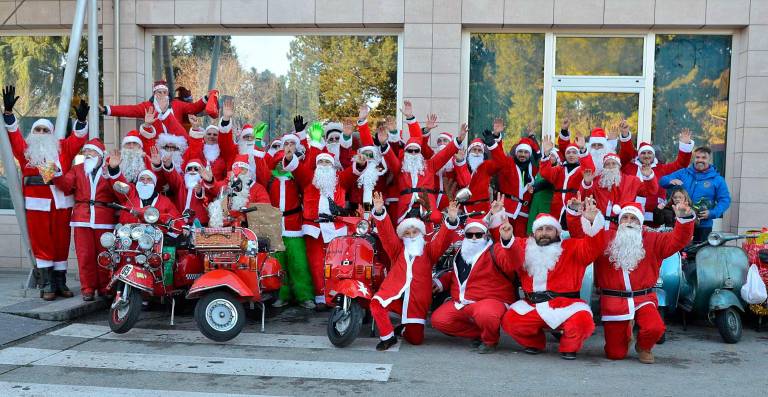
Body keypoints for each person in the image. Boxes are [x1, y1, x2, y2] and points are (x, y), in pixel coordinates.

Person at [3, 86, 89, 300]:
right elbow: (13, 134)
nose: (41, 134)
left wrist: (80, 121)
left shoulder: (62, 148)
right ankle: (47, 283)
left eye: (45, 131)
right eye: (37, 130)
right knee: (42, 242)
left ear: (52, 134)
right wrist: (8, 113)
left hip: (61, 202)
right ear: (32, 134)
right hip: (36, 204)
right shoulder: (26, 151)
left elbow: (78, 138)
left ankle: (60, 282)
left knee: (61, 241)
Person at [500, 198, 607, 360]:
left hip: (566, 306)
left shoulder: (571, 247)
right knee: (510, 321)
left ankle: (568, 347)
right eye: (540, 229)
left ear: (557, 232)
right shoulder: (524, 247)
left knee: (583, 322)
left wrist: (592, 222)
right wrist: (508, 239)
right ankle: (535, 343)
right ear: (534, 233)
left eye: (549, 229)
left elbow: (593, 247)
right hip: (532, 305)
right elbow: (511, 260)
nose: (544, 233)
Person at [588, 202, 694, 363]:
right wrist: (583, 219)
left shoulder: (653, 239)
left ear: (640, 222)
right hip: (614, 301)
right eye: (625, 218)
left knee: (655, 327)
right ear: (619, 221)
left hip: (643, 298)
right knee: (615, 354)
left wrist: (684, 219)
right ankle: (625, 335)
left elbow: (678, 240)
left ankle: (643, 347)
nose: (629, 221)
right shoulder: (605, 237)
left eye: (633, 218)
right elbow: (581, 236)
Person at [370, 192, 459, 351]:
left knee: (416, 339)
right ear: (402, 236)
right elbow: (386, 234)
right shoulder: (397, 249)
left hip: (416, 301)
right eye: (407, 233)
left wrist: (451, 220)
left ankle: (404, 329)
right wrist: (379, 212)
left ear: (421, 233)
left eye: (414, 232)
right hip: (394, 293)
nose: (411, 236)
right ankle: (388, 337)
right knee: (377, 303)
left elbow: (443, 239)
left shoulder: (429, 251)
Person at [430, 195, 520, 354]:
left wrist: (507, 241)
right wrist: (440, 283)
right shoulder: (461, 251)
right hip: (462, 302)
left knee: (486, 314)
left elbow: (511, 263)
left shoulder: (495, 250)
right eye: (469, 235)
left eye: (478, 235)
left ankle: (490, 340)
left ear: (485, 236)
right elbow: (457, 274)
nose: (473, 238)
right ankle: (479, 333)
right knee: (439, 320)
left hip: (491, 299)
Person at [288, 143, 356, 307]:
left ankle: (336, 296)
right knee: (316, 263)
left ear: (333, 166)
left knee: (337, 264)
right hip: (314, 230)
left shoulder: (340, 180)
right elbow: (297, 169)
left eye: (327, 163)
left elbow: (354, 172)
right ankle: (320, 296)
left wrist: (359, 163)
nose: (324, 166)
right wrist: (290, 157)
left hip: (336, 229)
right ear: (316, 165)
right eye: (321, 162)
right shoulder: (309, 179)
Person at [53, 138, 118, 301]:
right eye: (86, 151)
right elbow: (66, 185)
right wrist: (56, 174)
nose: (88, 154)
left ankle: (105, 287)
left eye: (92, 151)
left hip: (104, 218)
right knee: (85, 255)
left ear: (101, 155)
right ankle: (87, 288)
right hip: (82, 218)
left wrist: (114, 172)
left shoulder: (109, 170)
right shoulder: (77, 169)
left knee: (104, 255)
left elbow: (117, 191)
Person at [392, 101, 465, 224]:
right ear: (405, 152)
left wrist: (458, 140)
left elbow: (445, 153)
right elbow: (416, 140)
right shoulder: (401, 165)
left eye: (416, 151)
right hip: (406, 206)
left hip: (430, 202)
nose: (414, 153)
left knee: (435, 220)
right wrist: (410, 118)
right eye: (410, 151)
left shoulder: (429, 164)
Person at [266, 142, 315, 310]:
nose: (282, 165)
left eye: (285, 161)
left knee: (299, 263)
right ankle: (282, 295)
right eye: (279, 162)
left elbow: (306, 176)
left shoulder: (296, 178)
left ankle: (305, 295)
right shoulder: (270, 178)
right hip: (275, 226)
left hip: (294, 225)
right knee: (278, 264)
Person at [619, 128, 694, 224]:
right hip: (631, 218)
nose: (646, 156)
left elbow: (681, 164)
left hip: (656, 218)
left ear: (654, 155)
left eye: (649, 153)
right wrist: (625, 136)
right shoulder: (628, 168)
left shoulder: (661, 169)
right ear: (638, 155)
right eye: (643, 153)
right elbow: (625, 154)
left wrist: (685, 146)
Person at [659, 146, 731, 243]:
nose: (700, 160)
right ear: (694, 158)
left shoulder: (717, 179)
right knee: (679, 252)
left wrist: (713, 213)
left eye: (703, 158)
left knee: (699, 254)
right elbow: (662, 181)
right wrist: (670, 181)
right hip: (681, 222)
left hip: (703, 226)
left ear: (709, 159)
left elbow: (725, 200)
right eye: (697, 157)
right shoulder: (683, 173)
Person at [101, 80, 217, 138]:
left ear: (168, 93)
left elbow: (194, 108)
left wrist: (206, 97)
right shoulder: (148, 106)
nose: (162, 94)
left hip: (177, 143)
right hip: (157, 144)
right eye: (159, 92)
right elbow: (129, 110)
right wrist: (107, 109)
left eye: (164, 92)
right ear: (154, 93)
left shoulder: (177, 104)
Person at [488, 117, 539, 237]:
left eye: (526, 152)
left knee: (520, 244)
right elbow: (499, 155)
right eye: (520, 152)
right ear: (516, 153)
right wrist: (496, 136)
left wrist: (532, 137)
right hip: (508, 211)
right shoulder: (509, 164)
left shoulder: (534, 169)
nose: (522, 155)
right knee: (503, 241)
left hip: (524, 214)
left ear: (529, 154)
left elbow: (542, 160)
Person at [580, 152, 657, 229]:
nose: (611, 166)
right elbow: (585, 199)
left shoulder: (632, 180)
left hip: (622, 226)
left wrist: (648, 177)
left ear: (619, 166)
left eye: (614, 163)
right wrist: (587, 183)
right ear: (604, 167)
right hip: (599, 226)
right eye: (607, 164)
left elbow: (651, 191)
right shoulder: (597, 182)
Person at [106, 152, 181, 226]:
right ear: (138, 181)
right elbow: (120, 184)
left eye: (149, 179)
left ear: (154, 184)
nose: (145, 182)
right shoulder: (130, 194)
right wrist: (114, 169)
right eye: (142, 179)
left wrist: (183, 226)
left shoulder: (165, 201)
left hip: (154, 236)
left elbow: (175, 218)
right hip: (129, 235)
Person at [207, 155, 270, 228]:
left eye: (242, 169)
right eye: (236, 169)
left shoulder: (258, 188)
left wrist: (245, 213)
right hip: (225, 228)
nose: (238, 172)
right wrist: (210, 180)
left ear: (248, 171)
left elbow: (265, 209)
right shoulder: (228, 184)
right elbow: (216, 189)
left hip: (247, 228)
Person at [155, 152, 214, 226]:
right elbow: (173, 176)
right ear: (186, 171)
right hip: (180, 223)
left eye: (196, 169)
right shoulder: (181, 184)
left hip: (200, 223)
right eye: (189, 168)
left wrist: (201, 191)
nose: (192, 171)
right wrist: (168, 165)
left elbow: (211, 194)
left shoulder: (205, 184)